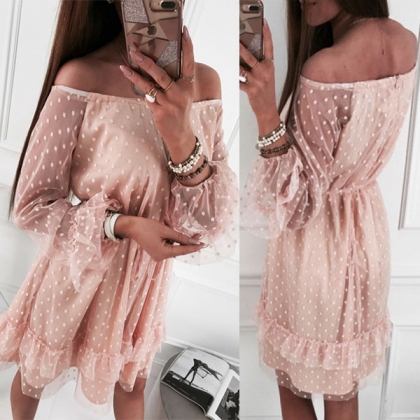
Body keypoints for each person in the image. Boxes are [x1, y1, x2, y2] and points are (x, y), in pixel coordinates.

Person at [0, 0, 237, 419]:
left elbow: (213, 221)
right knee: (35, 373)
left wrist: (180, 133)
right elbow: (32, 206)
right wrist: (124, 226)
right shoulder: (82, 78)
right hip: (76, 271)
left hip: (144, 288)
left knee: (132, 384)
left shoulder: (207, 84)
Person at [240, 0, 417, 419]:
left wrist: (265, 111)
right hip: (368, 238)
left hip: (314, 252)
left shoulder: (326, 68)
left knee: (293, 385)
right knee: (343, 390)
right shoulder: (406, 43)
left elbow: (300, 207)